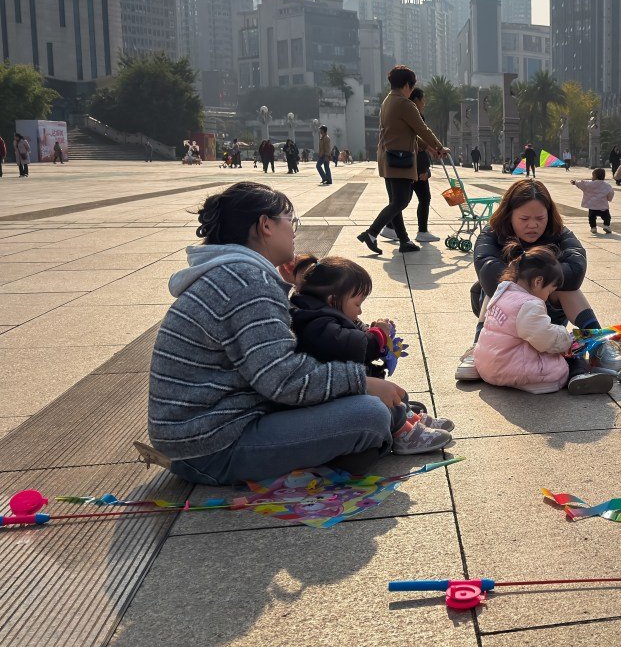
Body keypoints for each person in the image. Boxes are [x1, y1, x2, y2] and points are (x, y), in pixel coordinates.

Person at [140, 182, 418, 485]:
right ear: (266, 225)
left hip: (200, 434)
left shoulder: (232, 274)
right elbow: (283, 380)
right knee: (370, 415)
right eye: (290, 220)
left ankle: (363, 439)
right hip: (211, 447)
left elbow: (269, 361)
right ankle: (374, 436)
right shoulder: (248, 283)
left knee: (362, 406)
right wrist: (360, 382)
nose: (294, 231)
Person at [456, 178, 621, 382]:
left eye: (539, 218)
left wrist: (541, 280)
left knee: (566, 285)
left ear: (548, 215)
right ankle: (478, 346)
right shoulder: (492, 234)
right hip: (504, 318)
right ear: (509, 214)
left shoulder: (559, 232)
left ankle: (598, 345)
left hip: (548, 311)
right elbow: (489, 274)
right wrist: (529, 282)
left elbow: (576, 270)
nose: (533, 225)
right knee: (499, 288)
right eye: (524, 218)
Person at [288, 254, 454, 453]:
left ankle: (412, 417)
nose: (359, 311)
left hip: (342, 385)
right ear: (333, 300)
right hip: (332, 393)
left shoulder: (319, 314)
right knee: (384, 403)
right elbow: (354, 346)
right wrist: (378, 336)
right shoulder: (316, 324)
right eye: (357, 304)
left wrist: (372, 332)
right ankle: (404, 433)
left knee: (397, 394)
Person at [474, 246, 616, 395]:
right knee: (571, 355)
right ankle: (579, 375)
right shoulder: (529, 305)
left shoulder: (502, 293)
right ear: (538, 282)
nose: (548, 296)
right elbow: (546, 339)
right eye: (549, 290)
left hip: (487, 366)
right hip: (514, 370)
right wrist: (566, 338)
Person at [358, 65, 447, 256]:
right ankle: (371, 233)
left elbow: (410, 134)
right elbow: (422, 129)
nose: (412, 91)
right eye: (412, 86)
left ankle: (404, 240)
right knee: (401, 200)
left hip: (387, 157)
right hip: (400, 159)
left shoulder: (387, 101)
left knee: (395, 201)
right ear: (407, 85)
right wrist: (440, 147)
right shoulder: (405, 104)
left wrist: (428, 148)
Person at [389, 87, 438, 244]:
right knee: (421, 198)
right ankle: (421, 231)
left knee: (403, 199)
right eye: (423, 99)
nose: (424, 103)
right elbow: (420, 137)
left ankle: (390, 227)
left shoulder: (400, 111)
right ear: (416, 99)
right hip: (415, 165)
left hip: (408, 163)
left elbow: (417, 140)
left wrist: (430, 149)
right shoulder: (414, 114)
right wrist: (436, 148)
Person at [572, 168, 614, 235]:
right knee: (607, 217)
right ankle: (606, 225)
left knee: (591, 217)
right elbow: (611, 193)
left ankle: (593, 227)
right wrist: (609, 199)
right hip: (603, 206)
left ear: (595, 176)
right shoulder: (607, 185)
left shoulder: (589, 184)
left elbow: (582, 184)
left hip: (592, 206)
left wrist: (575, 182)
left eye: (592, 176)